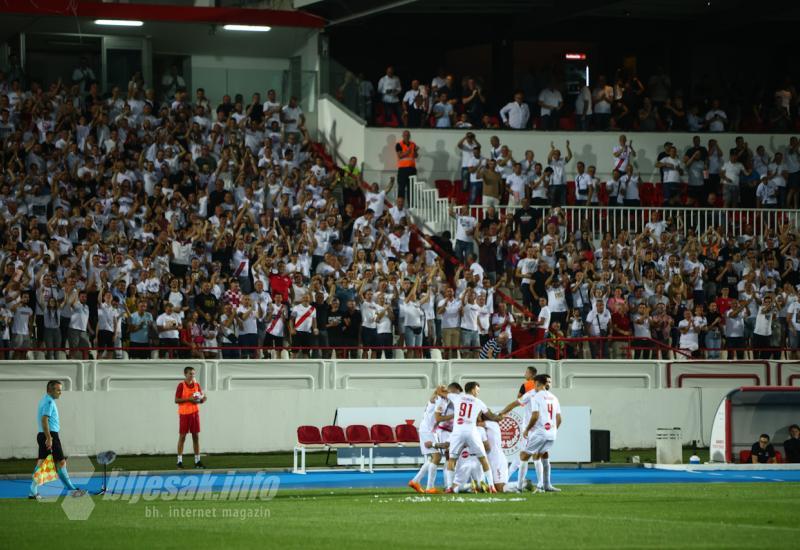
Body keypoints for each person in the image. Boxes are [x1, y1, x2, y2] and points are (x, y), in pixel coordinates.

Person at [437, 381, 504, 494]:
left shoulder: (456, 397)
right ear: (473, 389)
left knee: (452, 459)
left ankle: (449, 487)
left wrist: (441, 388)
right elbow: (491, 416)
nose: (478, 392)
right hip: (471, 431)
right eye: (477, 390)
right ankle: (491, 486)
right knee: (483, 459)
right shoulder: (479, 402)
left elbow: (440, 392)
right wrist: (500, 417)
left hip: (457, 432)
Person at [29, 380, 87, 499]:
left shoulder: (45, 400)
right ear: (50, 390)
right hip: (50, 436)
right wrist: (49, 438)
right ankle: (71, 489)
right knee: (61, 462)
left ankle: (32, 491)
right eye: (58, 390)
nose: (60, 392)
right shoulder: (49, 402)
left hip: (44, 435)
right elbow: (44, 420)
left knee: (41, 463)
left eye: (61, 390)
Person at [520, 374, 562, 492]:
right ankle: (545, 485)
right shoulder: (552, 397)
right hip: (548, 432)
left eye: (550, 381)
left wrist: (527, 429)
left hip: (537, 432)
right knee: (543, 455)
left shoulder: (539, 396)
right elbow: (559, 419)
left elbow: (535, 416)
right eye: (547, 381)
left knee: (527, 456)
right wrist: (553, 430)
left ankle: (536, 485)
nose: (549, 384)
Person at [408, 390, 446, 494]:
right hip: (427, 430)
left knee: (432, 458)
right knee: (437, 457)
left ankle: (415, 481)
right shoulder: (438, 401)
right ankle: (430, 487)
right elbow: (439, 417)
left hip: (427, 430)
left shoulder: (436, 400)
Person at [175, 367, 206, 469]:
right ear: (185, 374)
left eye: (193, 374)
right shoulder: (181, 385)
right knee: (182, 437)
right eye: (190, 374)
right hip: (184, 414)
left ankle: (197, 461)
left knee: (196, 437)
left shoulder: (197, 385)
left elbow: (201, 399)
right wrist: (189, 399)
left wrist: (203, 399)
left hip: (194, 413)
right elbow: (176, 400)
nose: (192, 376)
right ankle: (179, 461)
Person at [395, 130, 418, 202]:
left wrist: (416, 153)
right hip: (403, 170)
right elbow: (400, 156)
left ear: (409, 136)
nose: (406, 137)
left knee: (411, 188)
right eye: (405, 135)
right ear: (403, 136)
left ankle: (411, 206)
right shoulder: (399, 144)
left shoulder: (413, 144)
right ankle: (400, 205)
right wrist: (407, 152)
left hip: (412, 169)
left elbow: (415, 156)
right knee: (401, 188)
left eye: (408, 135)